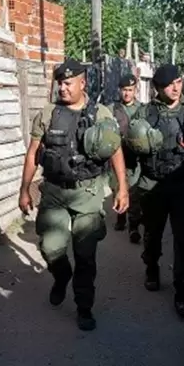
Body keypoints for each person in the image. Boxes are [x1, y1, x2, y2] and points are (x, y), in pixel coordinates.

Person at [18, 60, 129, 331]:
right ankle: (61, 275)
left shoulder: (101, 113)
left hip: (87, 193)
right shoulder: (47, 114)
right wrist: (24, 189)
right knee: (50, 248)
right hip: (55, 192)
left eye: (68, 83)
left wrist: (122, 188)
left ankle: (84, 307)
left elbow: (115, 151)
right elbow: (32, 154)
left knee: (85, 253)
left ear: (83, 83)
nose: (62, 88)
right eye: (60, 83)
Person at [127, 64, 184, 321]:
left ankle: (183, 292)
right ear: (157, 88)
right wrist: (128, 186)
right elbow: (130, 150)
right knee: (152, 235)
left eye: (178, 81)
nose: (175, 88)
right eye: (168, 84)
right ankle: (151, 267)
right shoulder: (144, 113)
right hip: (153, 186)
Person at [111, 74, 144, 243]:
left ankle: (134, 227)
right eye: (124, 90)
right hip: (118, 157)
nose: (127, 93)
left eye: (130, 90)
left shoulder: (142, 109)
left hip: (135, 159)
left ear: (135, 90)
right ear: (120, 90)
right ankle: (121, 217)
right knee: (117, 188)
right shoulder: (113, 109)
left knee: (134, 192)